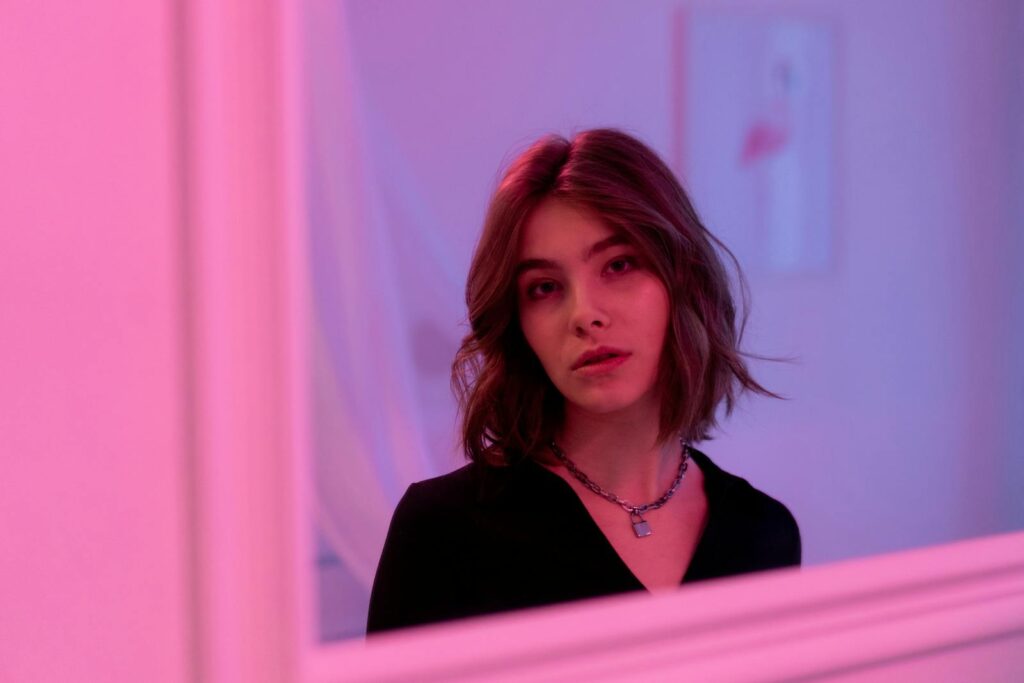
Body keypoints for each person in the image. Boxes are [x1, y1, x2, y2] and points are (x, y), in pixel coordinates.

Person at [366, 129, 801, 634]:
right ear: (518, 324)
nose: (584, 314)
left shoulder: (763, 533)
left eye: (618, 265)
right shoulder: (444, 530)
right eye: (545, 288)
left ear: (683, 279)